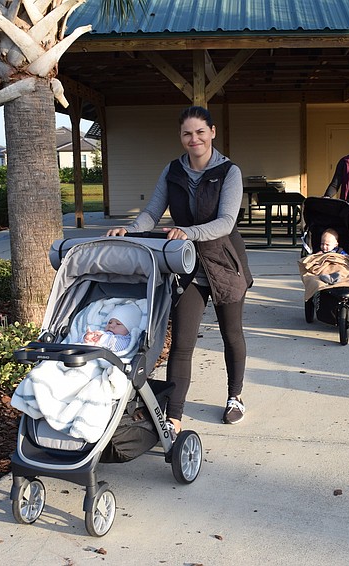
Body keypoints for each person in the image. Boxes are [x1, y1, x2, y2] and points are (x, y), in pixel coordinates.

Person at [106, 106, 253, 434]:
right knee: (183, 342)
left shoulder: (229, 172)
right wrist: (130, 230)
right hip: (186, 264)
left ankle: (235, 396)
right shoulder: (172, 171)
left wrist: (189, 231)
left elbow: (226, 222)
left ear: (212, 132)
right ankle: (173, 417)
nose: (194, 139)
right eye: (187, 133)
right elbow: (152, 212)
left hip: (224, 262)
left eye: (200, 132)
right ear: (181, 137)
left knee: (232, 334)